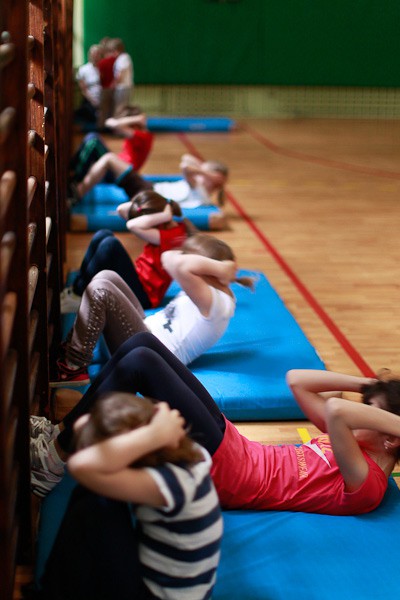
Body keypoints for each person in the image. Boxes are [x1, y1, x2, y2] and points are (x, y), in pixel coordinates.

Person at [31, 333, 400, 515]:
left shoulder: (368, 483)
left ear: (392, 439)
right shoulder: (354, 442)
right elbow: (296, 380)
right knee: (143, 343)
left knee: (140, 364)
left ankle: (53, 461)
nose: (362, 412)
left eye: (372, 413)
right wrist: (368, 385)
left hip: (232, 477)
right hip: (236, 448)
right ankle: (60, 434)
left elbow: (336, 411)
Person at [39, 393, 222, 600]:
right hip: (154, 578)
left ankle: (52, 591)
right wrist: (155, 431)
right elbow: (83, 427)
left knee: (95, 502)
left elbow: (80, 464)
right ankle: (52, 588)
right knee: (93, 493)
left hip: (156, 596)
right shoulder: (184, 453)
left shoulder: (175, 482)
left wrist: (153, 434)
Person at [50, 234, 253, 386]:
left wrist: (219, 268)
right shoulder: (209, 291)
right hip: (144, 336)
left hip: (151, 357)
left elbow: (179, 264)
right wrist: (216, 268)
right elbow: (168, 257)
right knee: (107, 276)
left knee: (100, 289)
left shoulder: (218, 304)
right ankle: (72, 348)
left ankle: (72, 366)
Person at [60, 190, 196, 314]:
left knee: (110, 245)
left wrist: (164, 214)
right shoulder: (165, 226)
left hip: (144, 298)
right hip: (138, 280)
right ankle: (76, 290)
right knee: (103, 234)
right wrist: (163, 209)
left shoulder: (174, 237)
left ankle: (78, 296)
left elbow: (132, 225)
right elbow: (121, 210)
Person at [71, 152, 229, 212]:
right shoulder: (200, 187)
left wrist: (206, 173)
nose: (199, 172)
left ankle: (78, 193)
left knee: (109, 159)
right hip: (148, 190)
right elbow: (186, 158)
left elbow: (185, 166)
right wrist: (206, 171)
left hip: (148, 193)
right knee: (109, 160)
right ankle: (78, 190)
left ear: (213, 179)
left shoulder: (202, 192)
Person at [69, 106, 153, 186]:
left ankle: (75, 178)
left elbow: (112, 124)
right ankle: (71, 169)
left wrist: (138, 119)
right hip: (116, 169)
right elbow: (109, 122)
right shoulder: (137, 136)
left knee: (94, 141)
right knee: (92, 138)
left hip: (121, 173)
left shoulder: (143, 136)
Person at [74, 45, 102, 125]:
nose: (95, 57)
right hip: (90, 100)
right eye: (93, 54)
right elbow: (84, 90)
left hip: (103, 99)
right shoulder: (83, 69)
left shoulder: (103, 68)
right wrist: (93, 101)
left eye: (97, 54)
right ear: (89, 55)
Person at [111, 38, 134, 118]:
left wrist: (113, 85)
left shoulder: (123, 58)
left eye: (112, 50)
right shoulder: (122, 58)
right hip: (123, 88)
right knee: (121, 109)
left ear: (116, 49)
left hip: (123, 88)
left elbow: (119, 75)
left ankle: (120, 123)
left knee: (120, 109)